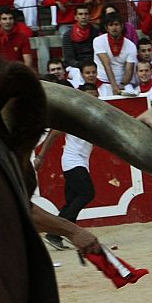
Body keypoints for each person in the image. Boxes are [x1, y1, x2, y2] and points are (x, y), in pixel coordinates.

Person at [40, 63, 99, 250]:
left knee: (73, 200)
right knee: (87, 193)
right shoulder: (75, 115)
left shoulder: (92, 116)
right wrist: (41, 157)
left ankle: (59, 234)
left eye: (95, 98)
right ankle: (55, 232)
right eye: (90, 98)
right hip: (73, 161)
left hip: (78, 161)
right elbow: (54, 134)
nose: (93, 102)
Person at [93, 13, 136, 96]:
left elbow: (129, 70)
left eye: (116, 24)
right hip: (103, 82)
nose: (114, 28)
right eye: (111, 25)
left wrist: (121, 85)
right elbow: (107, 65)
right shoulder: (98, 41)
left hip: (123, 83)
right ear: (106, 28)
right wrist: (114, 87)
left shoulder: (131, 46)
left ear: (122, 26)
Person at [61, 4, 99, 68]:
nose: (83, 17)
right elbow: (69, 59)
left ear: (89, 16)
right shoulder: (68, 35)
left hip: (94, 65)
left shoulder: (96, 32)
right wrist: (82, 66)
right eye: (80, 14)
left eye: (86, 14)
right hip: (75, 66)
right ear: (75, 17)